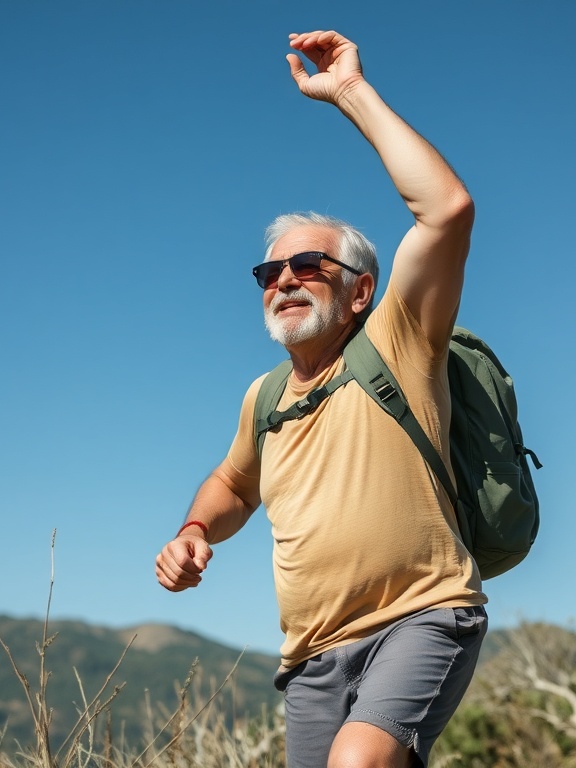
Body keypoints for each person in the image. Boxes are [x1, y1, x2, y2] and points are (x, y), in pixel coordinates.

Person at [155, 30, 487, 768]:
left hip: (421, 617)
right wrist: (195, 528)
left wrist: (350, 94)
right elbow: (233, 483)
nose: (283, 280)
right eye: (268, 273)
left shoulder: (398, 340)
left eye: (308, 265)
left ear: (360, 292)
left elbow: (447, 210)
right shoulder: (266, 396)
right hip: (312, 656)